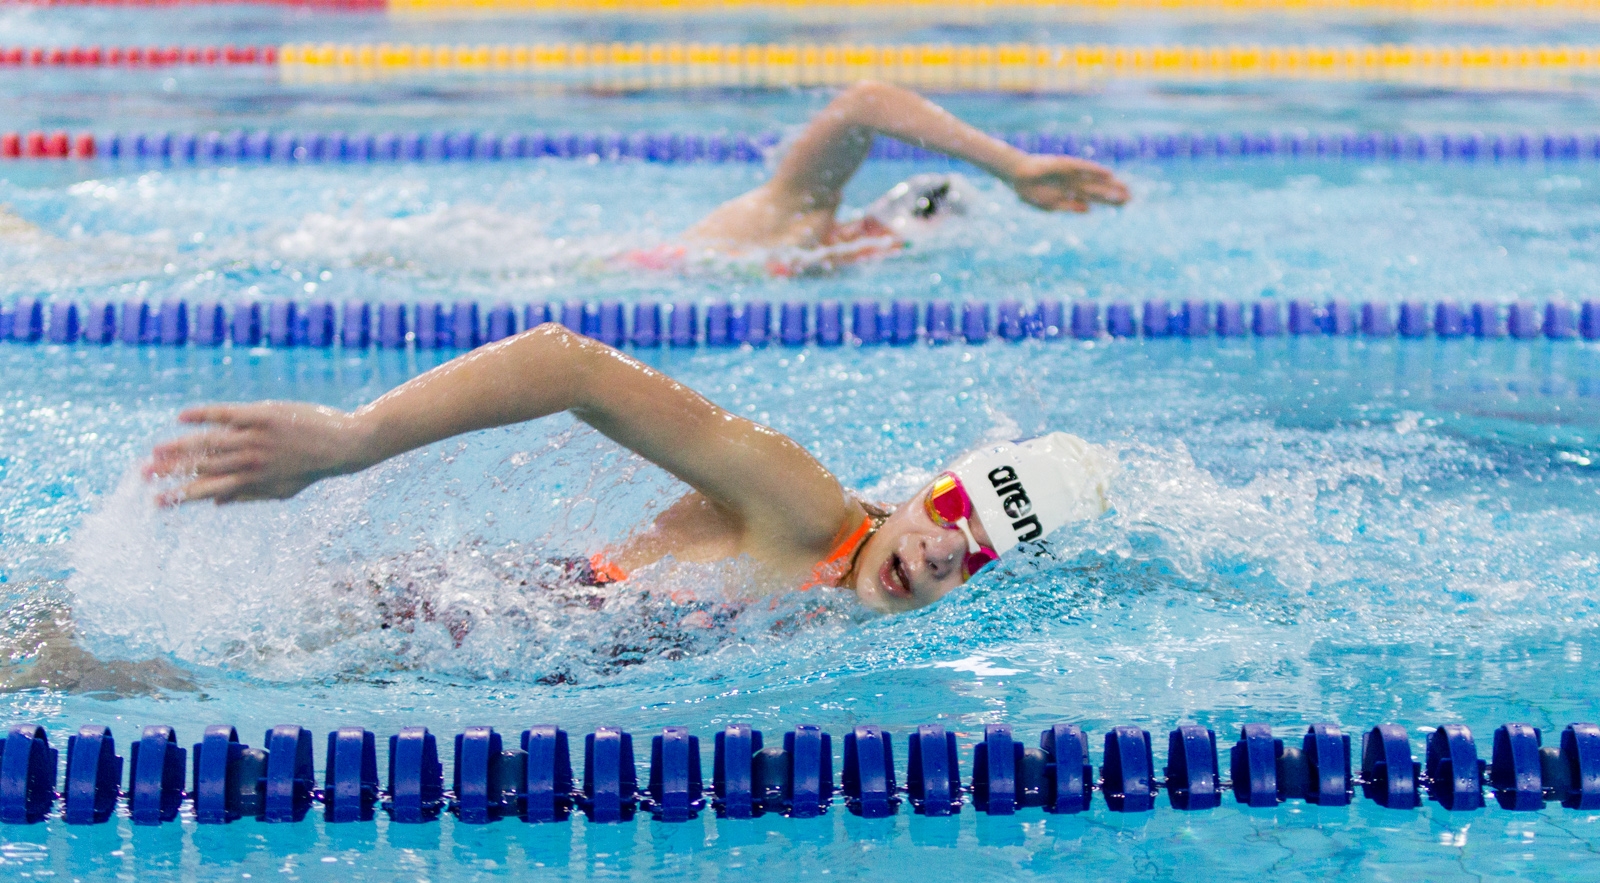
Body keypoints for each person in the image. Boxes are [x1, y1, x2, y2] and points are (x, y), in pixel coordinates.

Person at [144, 321, 1114, 615]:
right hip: (453, 616)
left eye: (983, 554)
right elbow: (568, 364)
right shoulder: (804, 507)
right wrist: (353, 440)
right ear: (925, 482)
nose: (942, 548)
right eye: (953, 506)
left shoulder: (859, 601)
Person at [634, 80, 1130, 274]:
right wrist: (1012, 165)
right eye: (888, 240)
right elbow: (865, 102)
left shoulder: (816, 258)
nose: (880, 251)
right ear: (876, 224)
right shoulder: (795, 217)